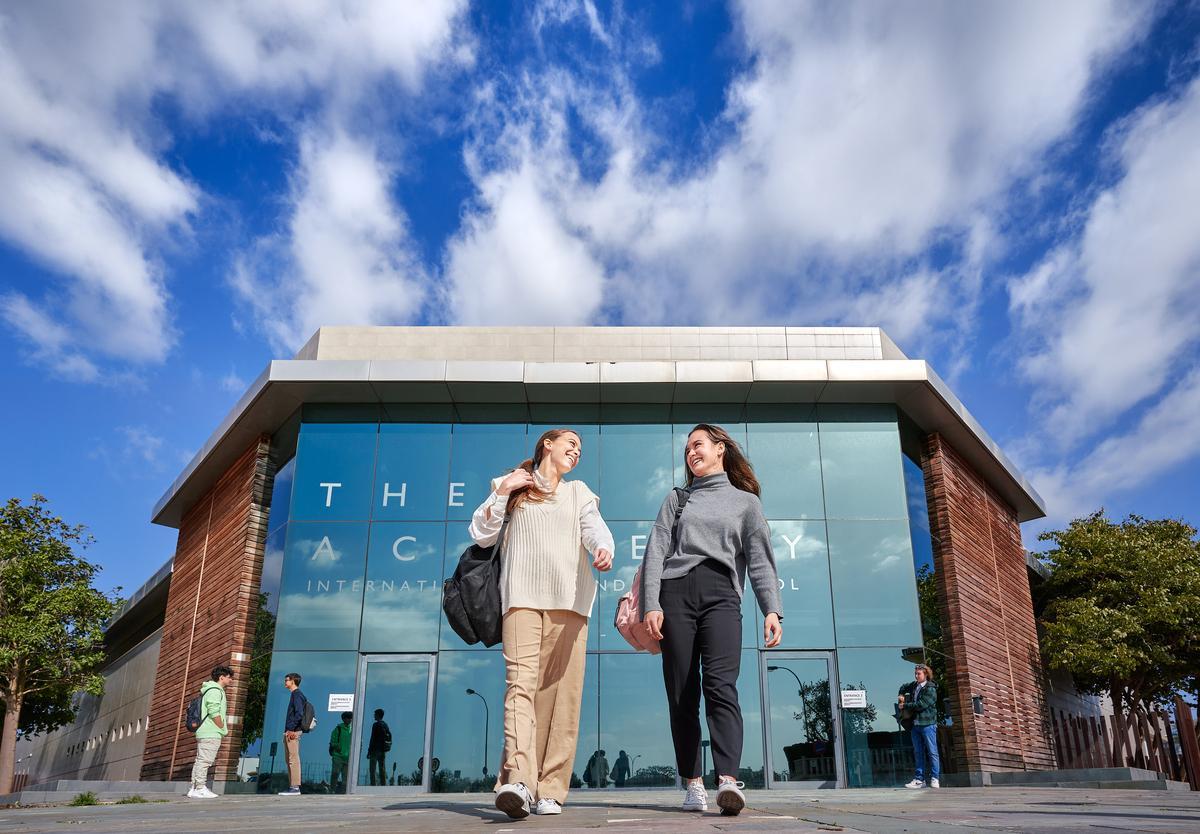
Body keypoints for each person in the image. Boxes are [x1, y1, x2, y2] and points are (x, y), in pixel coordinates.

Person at [469, 428, 614, 819]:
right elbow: (481, 535)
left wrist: (602, 548)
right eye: (571, 443)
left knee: (562, 697)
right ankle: (519, 780)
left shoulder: (578, 492)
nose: (577, 451)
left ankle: (550, 788)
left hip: (570, 603)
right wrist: (504, 491)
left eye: (581, 449)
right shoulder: (512, 485)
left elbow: (594, 527)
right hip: (521, 601)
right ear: (547, 444)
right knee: (521, 688)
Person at [643, 424, 783, 816]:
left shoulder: (746, 503)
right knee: (682, 693)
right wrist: (651, 604)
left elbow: (759, 560)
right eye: (686, 449)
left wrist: (771, 608)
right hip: (675, 595)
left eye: (698, 445)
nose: (690, 453)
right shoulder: (678, 498)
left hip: (722, 596)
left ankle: (727, 781)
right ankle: (692, 784)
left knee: (722, 687)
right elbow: (656, 551)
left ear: (720, 448)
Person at [187, 665, 233, 799]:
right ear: (221, 677)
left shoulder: (209, 689)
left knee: (200, 760)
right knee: (205, 761)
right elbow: (213, 711)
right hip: (211, 731)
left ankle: (194, 787)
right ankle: (200, 788)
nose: (231, 680)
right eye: (229, 678)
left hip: (205, 731)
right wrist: (221, 726)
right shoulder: (215, 691)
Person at [898, 664, 940, 789]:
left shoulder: (930, 689)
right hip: (915, 725)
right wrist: (901, 695)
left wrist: (904, 706)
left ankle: (935, 778)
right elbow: (903, 686)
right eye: (915, 673)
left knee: (932, 752)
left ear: (926, 674)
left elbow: (921, 704)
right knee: (918, 752)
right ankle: (919, 779)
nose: (916, 676)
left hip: (928, 725)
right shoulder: (914, 685)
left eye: (919, 674)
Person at [280, 672, 307, 795]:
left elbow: (299, 713)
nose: (285, 682)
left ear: (293, 681)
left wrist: (291, 729)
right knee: (289, 759)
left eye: (287, 680)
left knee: (293, 759)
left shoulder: (297, 694)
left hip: (293, 732)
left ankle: (295, 787)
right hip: (290, 731)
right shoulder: (294, 695)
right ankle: (292, 786)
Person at [328, 711, 352, 793]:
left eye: (350, 718)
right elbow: (333, 741)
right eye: (348, 718)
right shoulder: (338, 729)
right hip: (338, 756)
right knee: (335, 773)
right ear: (343, 719)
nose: (349, 719)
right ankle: (332, 790)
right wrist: (338, 747)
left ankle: (344, 792)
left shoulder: (353, 730)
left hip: (348, 757)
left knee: (346, 778)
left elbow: (358, 742)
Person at [368, 708, 391, 786]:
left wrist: (369, 751)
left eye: (375, 714)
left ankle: (373, 786)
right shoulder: (385, 725)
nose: (374, 716)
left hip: (375, 750)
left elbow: (372, 738)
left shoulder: (376, 725)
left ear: (378, 715)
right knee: (382, 769)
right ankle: (383, 785)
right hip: (383, 750)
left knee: (372, 770)